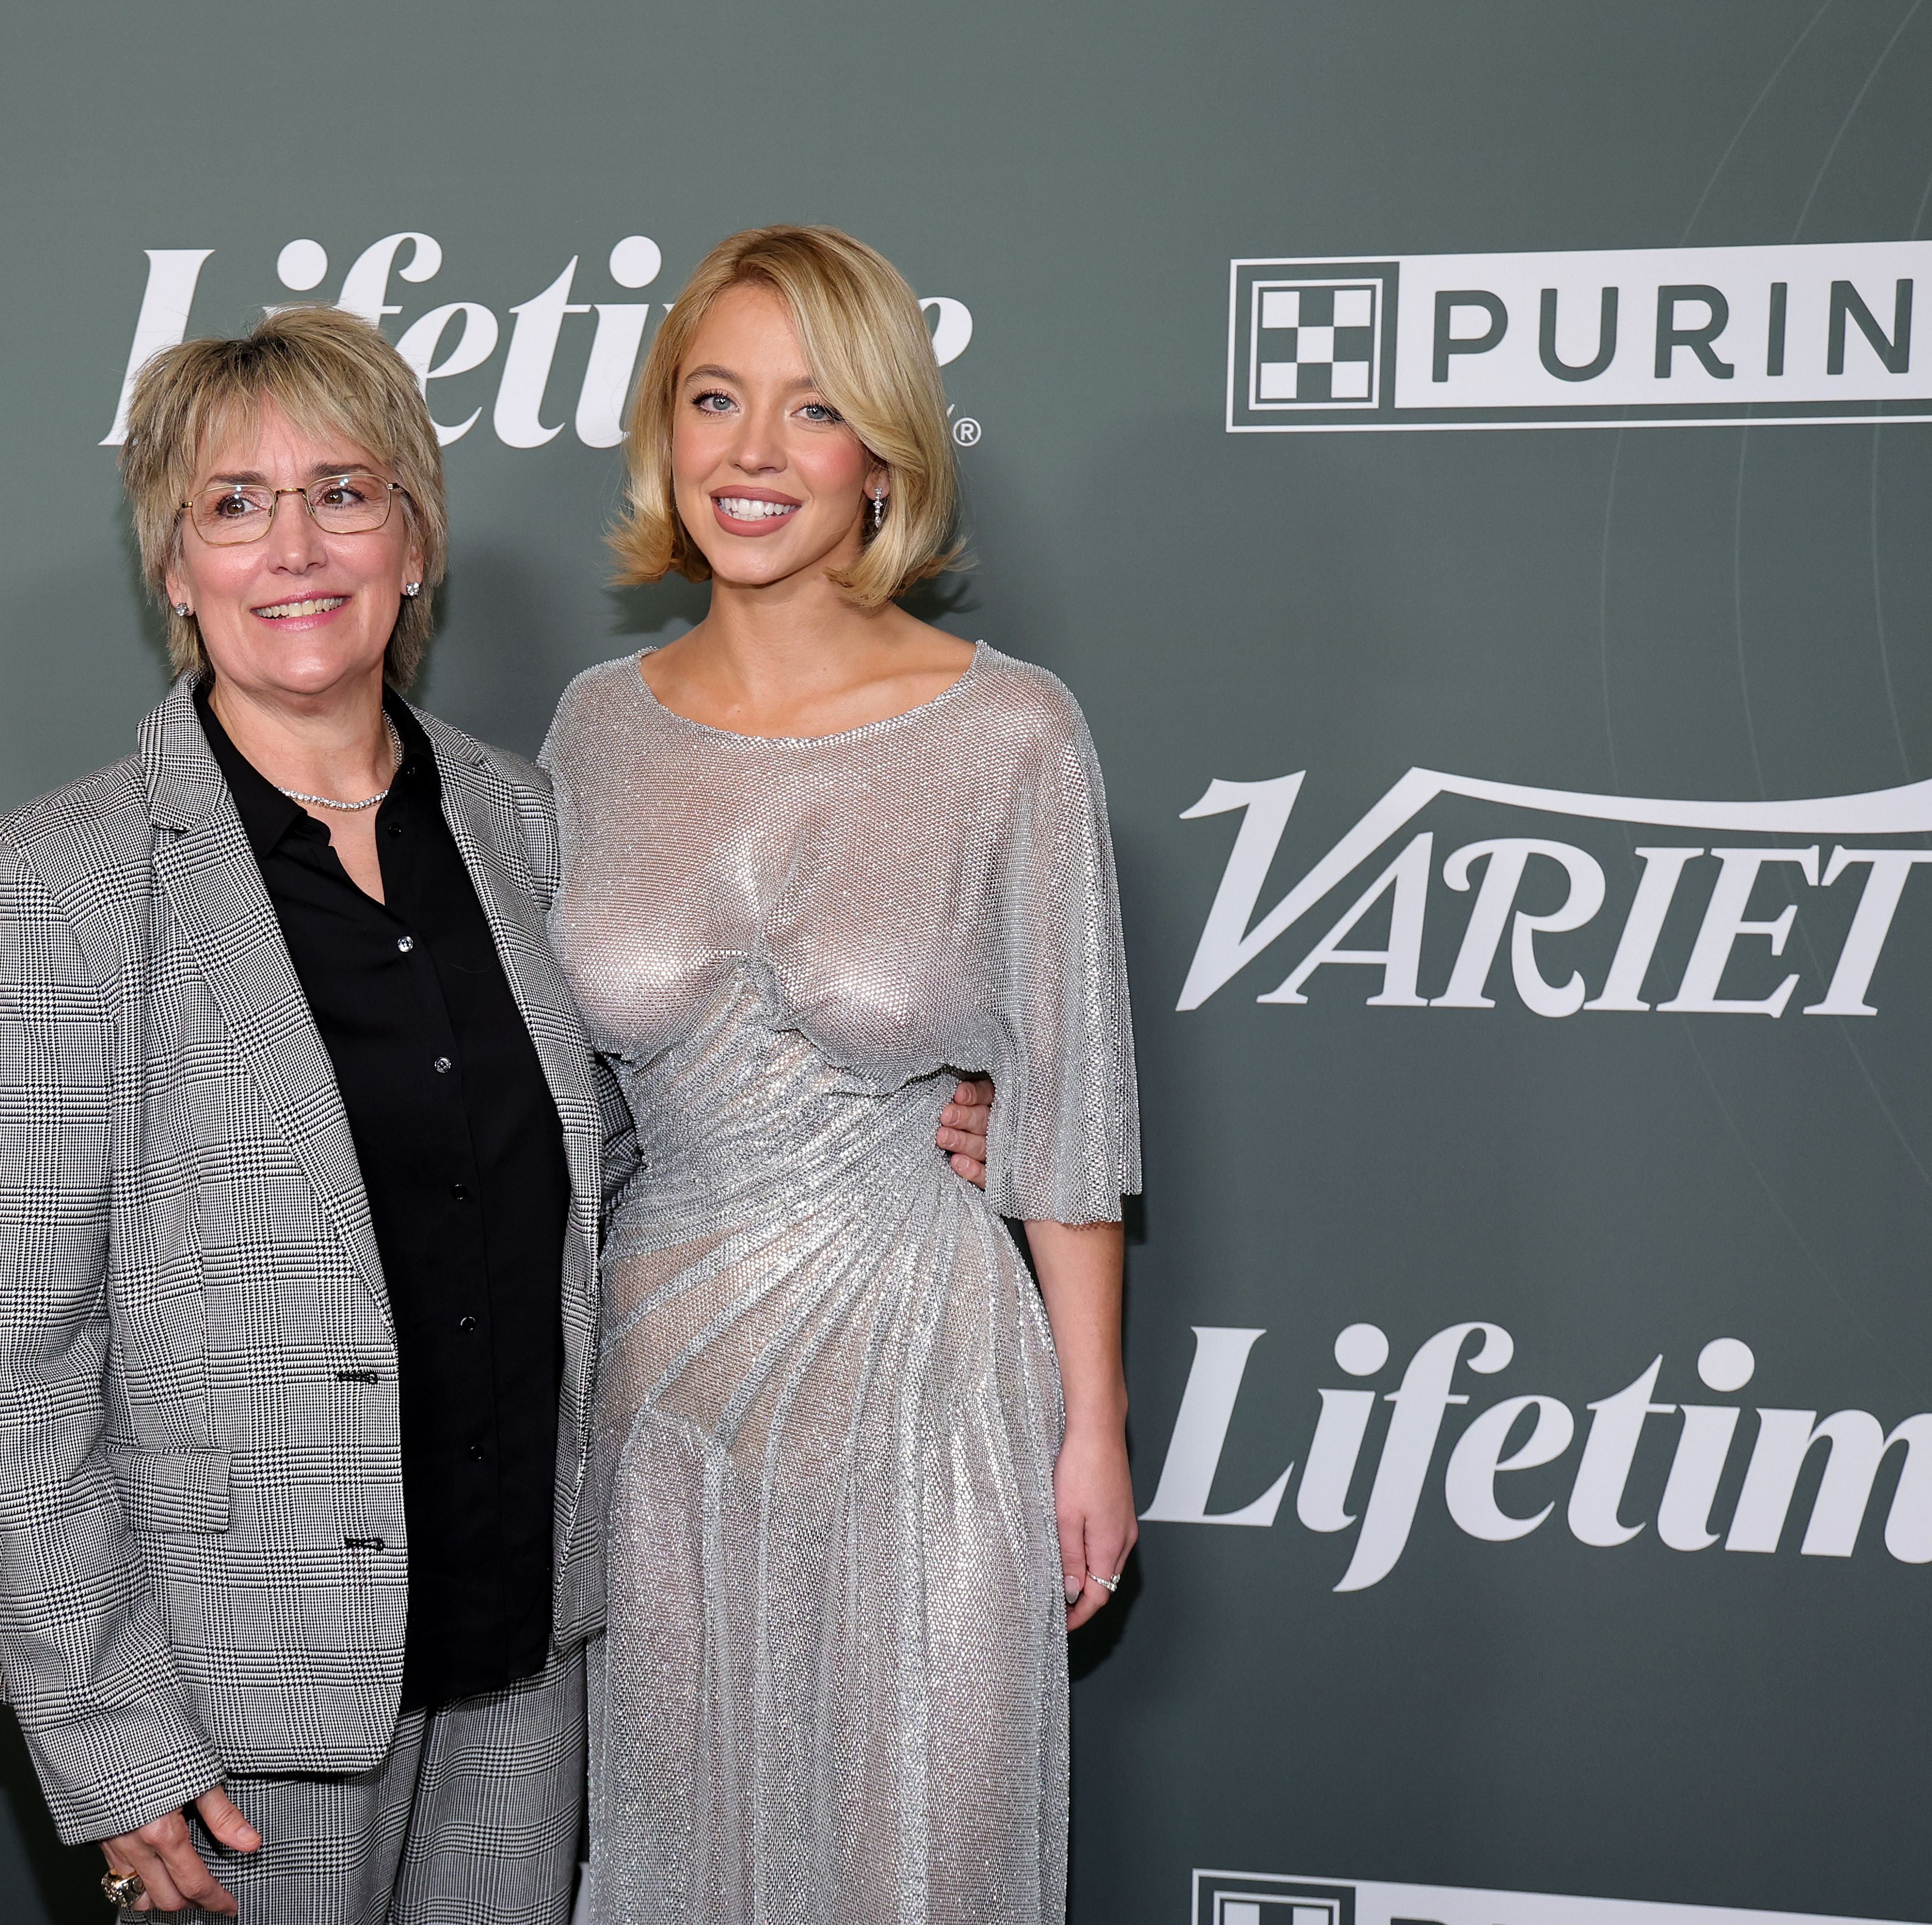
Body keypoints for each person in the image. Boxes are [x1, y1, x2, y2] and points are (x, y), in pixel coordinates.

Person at [0, 303, 1002, 1923]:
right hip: (240, 1704)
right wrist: (109, 1727)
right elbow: (21, 1360)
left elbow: (646, 1146)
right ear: (173, 565)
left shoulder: (524, 823)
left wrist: (917, 1112)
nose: (296, 548)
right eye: (235, 505)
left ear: (414, 541)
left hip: (528, 1664)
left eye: (344, 494)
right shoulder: (51, 883)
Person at [541, 227, 1141, 1925]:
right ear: (663, 431)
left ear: (883, 457)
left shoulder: (1011, 731)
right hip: (660, 1394)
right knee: (679, 1857)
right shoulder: (593, 727)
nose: (751, 452)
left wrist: (1092, 1425)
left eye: (811, 409)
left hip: (927, 1381)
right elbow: (555, 1097)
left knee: (921, 1856)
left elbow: (1068, 1103)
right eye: (713, 398)